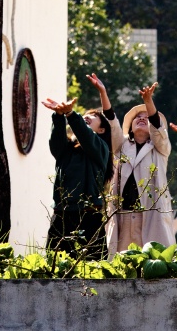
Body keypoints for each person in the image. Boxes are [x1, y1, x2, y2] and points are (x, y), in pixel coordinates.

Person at [87, 74, 175, 255]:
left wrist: (148, 101)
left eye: (146, 117)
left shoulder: (160, 148)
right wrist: (103, 92)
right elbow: (112, 122)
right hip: (123, 217)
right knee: (121, 269)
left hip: (152, 216)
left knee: (153, 266)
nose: (142, 119)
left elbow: (158, 128)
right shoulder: (121, 145)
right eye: (137, 117)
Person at [42, 92, 113, 257]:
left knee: (94, 266)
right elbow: (56, 142)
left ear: (102, 130)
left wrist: (72, 115)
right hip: (62, 214)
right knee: (55, 264)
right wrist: (59, 117)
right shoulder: (66, 150)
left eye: (92, 117)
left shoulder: (101, 148)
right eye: (85, 116)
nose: (86, 117)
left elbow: (87, 137)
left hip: (90, 215)